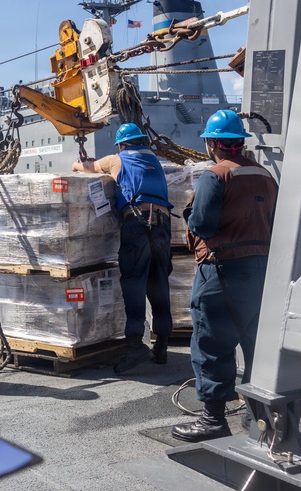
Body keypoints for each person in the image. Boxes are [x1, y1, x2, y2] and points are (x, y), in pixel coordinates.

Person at [171, 110, 278, 443]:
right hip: (261, 272)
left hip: (221, 271)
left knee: (212, 344)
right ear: (239, 143)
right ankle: (259, 415)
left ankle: (213, 420)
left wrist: (190, 212)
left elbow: (202, 225)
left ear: (212, 143)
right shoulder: (265, 176)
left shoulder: (215, 176)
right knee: (256, 344)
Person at [73, 123, 174, 374]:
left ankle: (135, 345)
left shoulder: (117, 159)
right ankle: (161, 345)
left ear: (122, 145)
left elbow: (90, 167)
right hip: (162, 227)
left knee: (134, 285)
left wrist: (77, 165)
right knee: (159, 286)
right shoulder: (155, 162)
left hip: (137, 226)